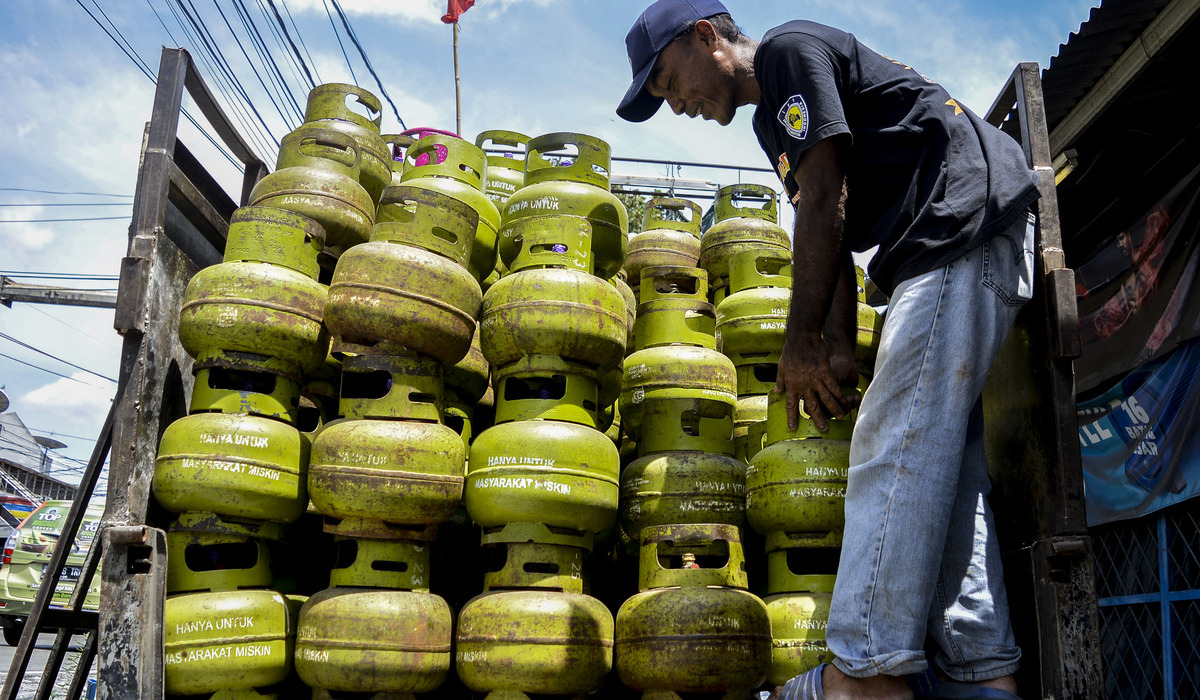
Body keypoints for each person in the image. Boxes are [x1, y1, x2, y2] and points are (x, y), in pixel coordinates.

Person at [616, 2, 1040, 699]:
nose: (674, 104)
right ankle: (983, 675)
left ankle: (866, 673)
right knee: (947, 469)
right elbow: (830, 226)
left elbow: (825, 200)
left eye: (667, 81)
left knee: (893, 441)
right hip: (943, 246)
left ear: (704, 38)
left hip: (961, 227)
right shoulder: (768, 120)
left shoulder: (788, 52)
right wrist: (838, 348)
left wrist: (799, 345)